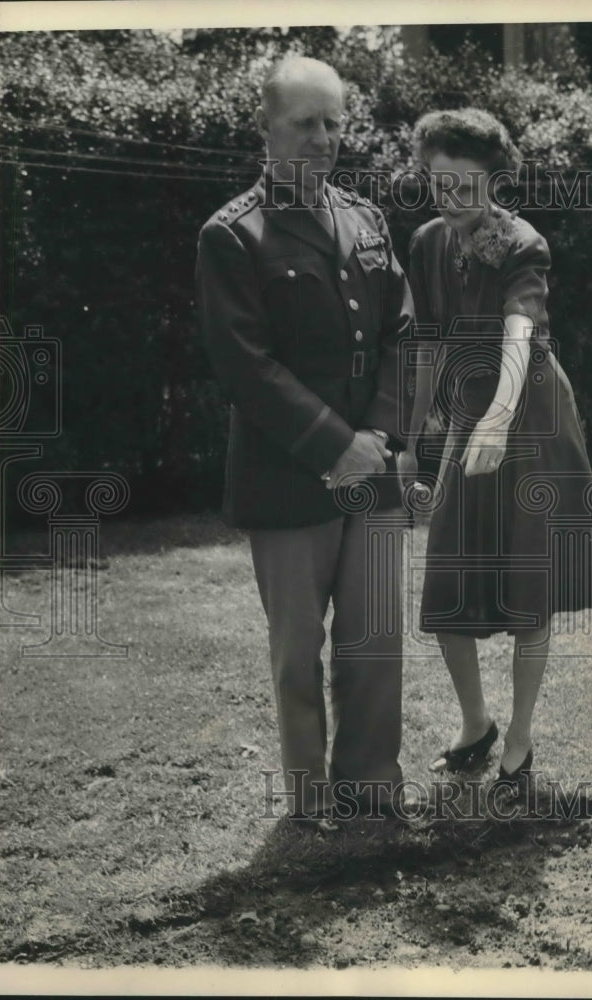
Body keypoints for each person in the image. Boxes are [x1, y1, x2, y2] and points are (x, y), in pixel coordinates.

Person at [195, 56, 415, 827]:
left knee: (376, 636)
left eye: (333, 123)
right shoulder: (232, 235)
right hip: (289, 474)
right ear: (264, 128)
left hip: (375, 466)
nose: (323, 139)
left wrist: (382, 434)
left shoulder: (366, 219)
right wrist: (335, 446)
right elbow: (244, 368)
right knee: (298, 650)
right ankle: (311, 799)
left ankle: (372, 785)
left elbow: (400, 333)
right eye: (304, 124)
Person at [398, 108, 592, 795]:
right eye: (440, 183)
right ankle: (476, 727)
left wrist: (496, 420)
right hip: (468, 410)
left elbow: (520, 335)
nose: (453, 199)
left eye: (467, 184)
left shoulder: (524, 242)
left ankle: (519, 741)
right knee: (446, 585)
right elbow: (429, 348)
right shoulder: (429, 242)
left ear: (494, 180)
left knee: (530, 590)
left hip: (531, 416)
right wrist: (415, 444)